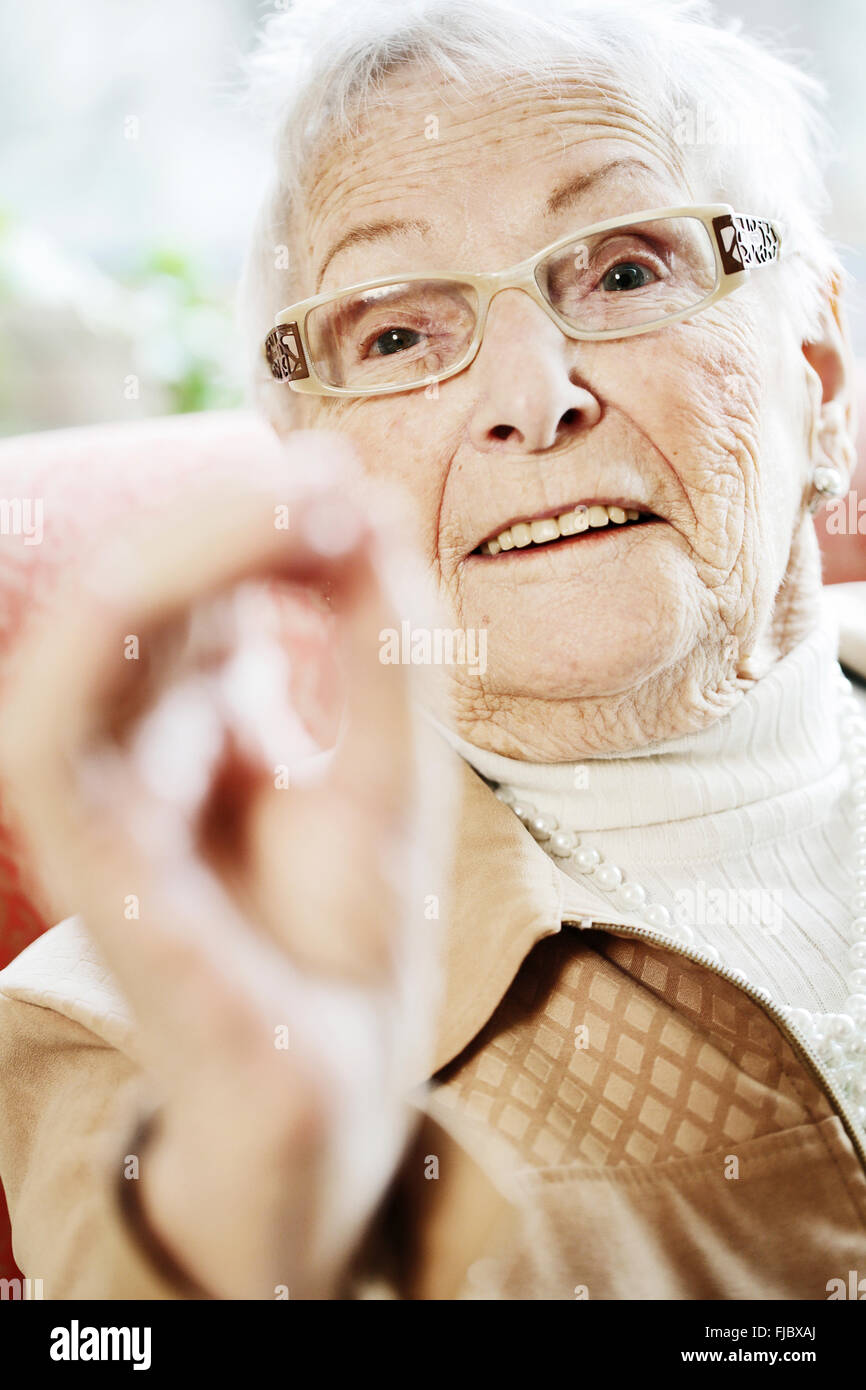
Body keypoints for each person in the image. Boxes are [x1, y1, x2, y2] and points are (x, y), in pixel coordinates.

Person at [1, 0, 865, 1299]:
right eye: (396, 334)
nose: (532, 395)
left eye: (626, 270)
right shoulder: (147, 1006)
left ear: (816, 372)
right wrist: (261, 1194)